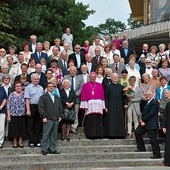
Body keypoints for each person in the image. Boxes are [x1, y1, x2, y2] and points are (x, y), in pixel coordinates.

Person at [135, 90, 161, 159]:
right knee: (137, 132)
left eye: (148, 94)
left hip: (151, 124)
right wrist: (142, 120)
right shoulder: (146, 102)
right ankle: (141, 148)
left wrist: (143, 120)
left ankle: (157, 154)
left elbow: (151, 114)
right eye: (146, 94)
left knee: (153, 140)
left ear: (152, 95)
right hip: (145, 122)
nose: (147, 96)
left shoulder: (154, 102)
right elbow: (144, 112)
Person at [38, 82, 62, 155]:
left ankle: (53, 148)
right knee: (46, 134)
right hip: (48, 118)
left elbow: (60, 107)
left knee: (54, 135)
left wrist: (60, 115)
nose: (51, 87)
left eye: (52, 86)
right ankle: (45, 149)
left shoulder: (57, 97)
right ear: (47, 88)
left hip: (56, 118)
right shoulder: (43, 97)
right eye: (49, 86)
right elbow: (41, 107)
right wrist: (44, 116)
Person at [80, 72, 105, 139]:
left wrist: (103, 105)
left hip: (98, 105)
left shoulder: (100, 85)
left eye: (94, 77)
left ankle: (99, 134)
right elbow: (83, 95)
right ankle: (90, 134)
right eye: (91, 77)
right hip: (89, 105)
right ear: (89, 77)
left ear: (95, 77)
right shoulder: (85, 85)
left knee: (98, 119)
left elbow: (102, 95)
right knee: (90, 119)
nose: (93, 78)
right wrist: (84, 105)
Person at [105, 73, 128, 138]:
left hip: (120, 106)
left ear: (118, 78)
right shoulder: (108, 86)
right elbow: (106, 97)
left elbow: (124, 97)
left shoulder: (121, 87)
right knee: (111, 120)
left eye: (116, 77)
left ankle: (120, 134)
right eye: (114, 77)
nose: (115, 78)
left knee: (119, 119)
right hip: (111, 106)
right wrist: (106, 106)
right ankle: (112, 134)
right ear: (111, 78)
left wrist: (125, 104)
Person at [24, 73, 44, 148]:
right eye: (35, 79)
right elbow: (27, 99)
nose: (36, 80)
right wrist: (28, 110)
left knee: (38, 125)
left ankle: (37, 141)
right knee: (30, 125)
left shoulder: (41, 88)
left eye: (37, 79)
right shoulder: (28, 88)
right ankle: (32, 141)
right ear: (31, 79)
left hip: (39, 107)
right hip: (31, 107)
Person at [64, 66, 83, 134]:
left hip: (76, 98)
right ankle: (66, 127)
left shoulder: (80, 78)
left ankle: (74, 127)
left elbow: (81, 87)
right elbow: (64, 86)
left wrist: (76, 94)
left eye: (74, 70)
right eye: (71, 70)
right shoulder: (66, 77)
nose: (72, 72)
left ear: (76, 71)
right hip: (67, 98)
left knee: (75, 113)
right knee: (66, 113)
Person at [7, 81, 26, 148]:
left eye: (19, 86)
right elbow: (8, 106)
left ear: (22, 87)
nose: (18, 87)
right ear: (14, 87)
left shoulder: (24, 94)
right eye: (17, 86)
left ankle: (20, 142)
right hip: (13, 114)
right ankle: (14, 142)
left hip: (22, 114)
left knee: (21, 129)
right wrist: (9, 116)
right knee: (14, 129)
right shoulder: (11, 94)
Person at [162, 98, 170, 166]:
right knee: (168, 145)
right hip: (168, 127)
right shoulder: (168, 104)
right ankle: (168, 162)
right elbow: (165, 116)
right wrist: (163, 126)